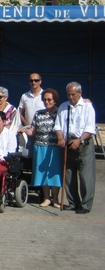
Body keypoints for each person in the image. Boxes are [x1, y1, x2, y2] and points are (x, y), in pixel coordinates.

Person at [54, 82, 96, 214]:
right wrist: (60, 137)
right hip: (68, 143)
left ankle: (85, 204)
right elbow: (58, 125)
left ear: (80, 93)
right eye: (68, 94)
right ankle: (73, 202)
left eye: (73, 94)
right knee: (69, 175)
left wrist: (80, 139)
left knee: (85, 176)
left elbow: (90, 127)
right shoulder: (63, 106)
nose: (70, 97)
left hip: (83, 143)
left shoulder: (87, 107)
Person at [22, 88, 62, 208]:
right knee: (43, 172)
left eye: (49, 99)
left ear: (55, 100)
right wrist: (24, 130)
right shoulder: (38, 113)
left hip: (55, 147)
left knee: (54, 173)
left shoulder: (60, 112)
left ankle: (55, 198)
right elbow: (33, 130)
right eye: (44, 99)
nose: (47, 102)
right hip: (39, 146)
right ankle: (47, 198)